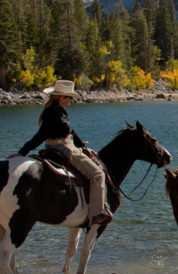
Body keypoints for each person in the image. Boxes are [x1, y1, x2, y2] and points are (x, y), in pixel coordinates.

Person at [15, 79, 113, 226]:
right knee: (98, 174)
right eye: (69, 97)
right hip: (64, 147)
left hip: (65, 144)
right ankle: (97, 213)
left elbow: (70, 130)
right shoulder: (52, 113)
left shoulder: (59, 110)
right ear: (61, 98)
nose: (71, 99)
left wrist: (81, 144)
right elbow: (40, 135)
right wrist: (22, 152)